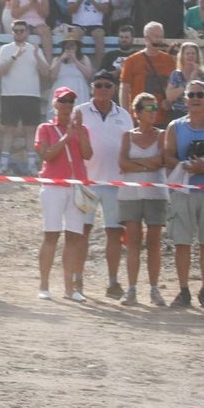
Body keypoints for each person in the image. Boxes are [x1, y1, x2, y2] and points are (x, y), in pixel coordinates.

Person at [162, 79, 204, 310]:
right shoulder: (174, 127)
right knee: (182, 240)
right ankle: (183, 291)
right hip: (183, 187)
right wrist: (186, 165)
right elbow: (167, 155)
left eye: (201, 94)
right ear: (185, 100)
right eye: (192, 95)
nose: (196, 99)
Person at [34, 86, 92, 301]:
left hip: (76, 186)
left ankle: (69, 288)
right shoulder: (45, 128)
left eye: (71, 101)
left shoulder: (82, 129)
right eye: (63, 101)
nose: (67, 105)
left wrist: (77, 132)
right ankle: (44, 285)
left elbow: (87, 154)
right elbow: (47, 155)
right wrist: (67, 137)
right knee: (51, 235)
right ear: (55, 105)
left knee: (74, 237)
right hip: (53, 185)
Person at [79, 69, 133, 298]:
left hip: (115, 183)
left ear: (114, 89)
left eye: (107, 86)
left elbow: (130, 144)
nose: (103, 89)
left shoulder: (124, 115)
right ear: (92, 87)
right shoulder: (79, 112)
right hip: (86, 182)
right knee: (82, 231)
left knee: (113, 233)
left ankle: (112, 282)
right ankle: (76, 279)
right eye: (99, 85)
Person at [117, 93, 168, 306]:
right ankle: (132, 289)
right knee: (134, 242)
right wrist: (148, 164)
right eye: (148, 108)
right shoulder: (127, 136)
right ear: (136, 113)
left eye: (155, 107)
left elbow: (162, 160)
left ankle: (155, 289)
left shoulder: (162, 135)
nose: (153, 112)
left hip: (156, 193)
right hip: (130, 194)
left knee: (154, 242)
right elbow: (122, 163)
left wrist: (136, 164)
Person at [0, 19, 47, 174]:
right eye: (16, 31)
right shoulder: (5, 49)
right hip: (10, 94)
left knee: (30, 130)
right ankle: (3, 163)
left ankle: (32, 164)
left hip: (30, 94)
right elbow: (0, 71)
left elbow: (45, 72)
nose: (19, 33)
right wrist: (14, 56)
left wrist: (37, 55)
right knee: (9, 130)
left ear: (27, 32)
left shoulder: (34, 49)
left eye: (22, 30)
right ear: (12, 33)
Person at [120, 21, 176, 125]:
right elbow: (124, 89)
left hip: (163, 118)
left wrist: (170, 101)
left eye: (161, 36)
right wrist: (126, 114)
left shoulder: (169, 60)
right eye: (156, 36)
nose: (159, 40)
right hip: (139, 119)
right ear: (146, 38)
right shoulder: (132, 60)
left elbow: (174, 86)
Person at [65, 0, 109, 71]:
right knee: (74, 36)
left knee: (99, 35)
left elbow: (106, 8)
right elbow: (70, 10)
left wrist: (92, 1)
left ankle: (100, 69)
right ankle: (72, 67)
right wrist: (80, 0)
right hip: (79, 24)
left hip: (96, 24)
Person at [164, 41, 204, 118]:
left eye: (193, 53)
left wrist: (196, 76)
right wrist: (189, 80)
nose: (190, 56)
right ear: (182, 56)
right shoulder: (176, 74)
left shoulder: (202, 75)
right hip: (179, 113)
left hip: (199, 113)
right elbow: (169, 96)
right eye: (187, 54)